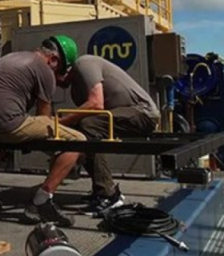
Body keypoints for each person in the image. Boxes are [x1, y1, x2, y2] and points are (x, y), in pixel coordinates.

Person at [0, 35, 85, 228]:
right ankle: (41, 201)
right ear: (53, 60)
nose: (58, 75)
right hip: (5, 124)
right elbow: (43, 118)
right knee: (77, 140)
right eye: (60, 69)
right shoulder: (45, 70)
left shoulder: (10, 57)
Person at [60, 54, 161, 214]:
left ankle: (108, 194)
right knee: (82, 131)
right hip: (126, 113)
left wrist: (60, 122)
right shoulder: (76, 90)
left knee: (89, 125)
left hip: (143, 113)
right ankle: (100, 190)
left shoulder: (84, 63)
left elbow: (96, 105)